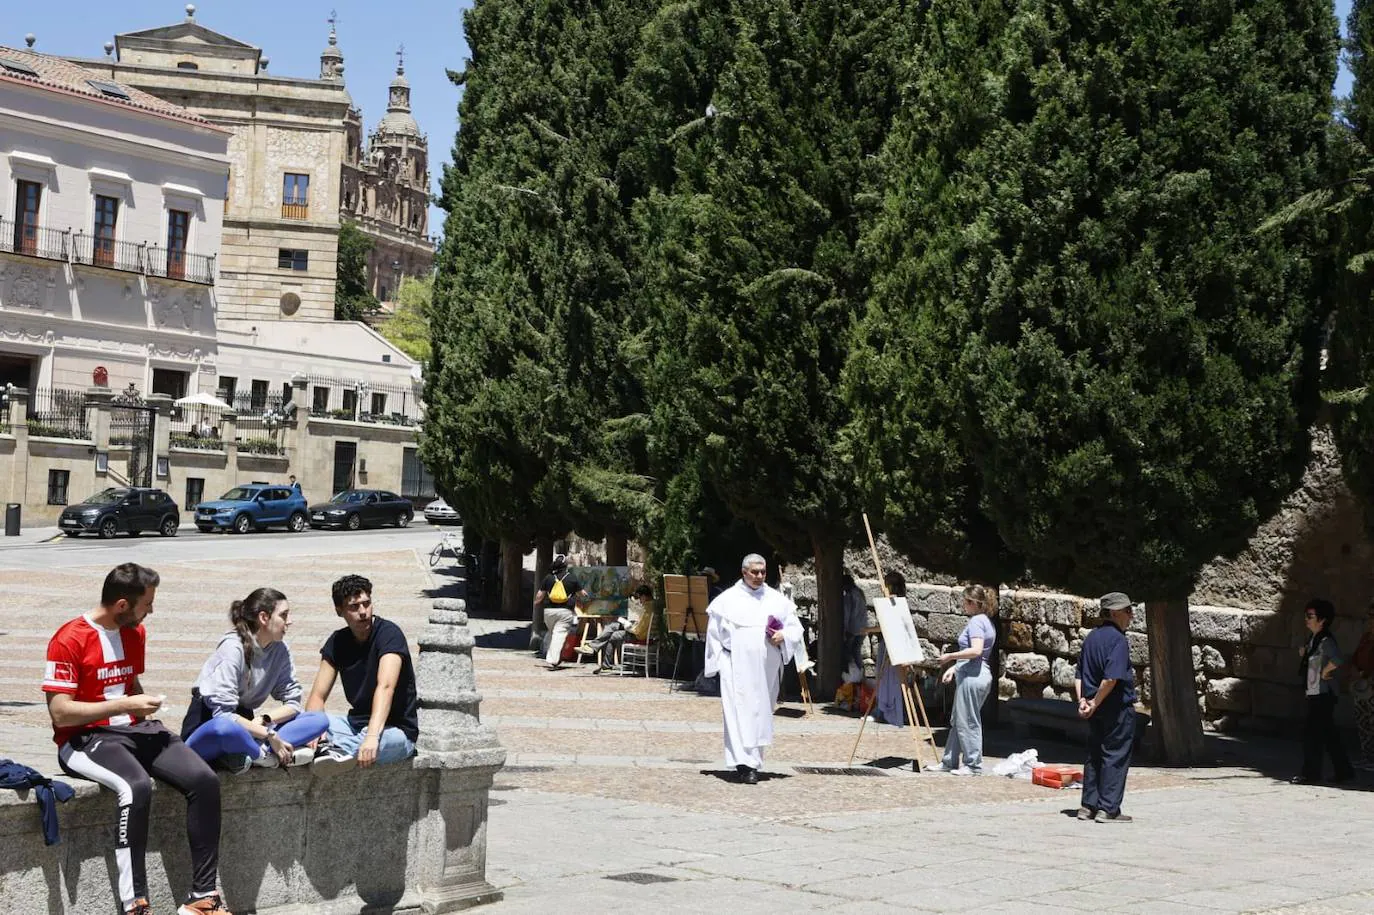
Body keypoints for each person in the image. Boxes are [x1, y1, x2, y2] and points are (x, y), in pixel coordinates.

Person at [43, 563, 231, 915]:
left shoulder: (135, 633)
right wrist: (126, 703)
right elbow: (60, 713)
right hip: (83, 738)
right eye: (147, 604)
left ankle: (202, 898)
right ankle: (136, 904)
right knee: (136, 787)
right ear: (122, 605)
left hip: (134, 729)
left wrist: (140, 706)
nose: (152, 610)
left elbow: (129, 684)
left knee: (204, 779)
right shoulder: (69, 639)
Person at [180, 588, 329, 772]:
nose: (290, 621)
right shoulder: (233, 648)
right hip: (210, 726)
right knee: (225, 728)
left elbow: (293, 702)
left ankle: (255, 752)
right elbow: (223, 716)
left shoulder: (280, 649)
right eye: (284, 615)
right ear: (264, 618)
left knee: (319, 719)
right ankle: (263, 755)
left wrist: (265, 720)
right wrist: (270, 735)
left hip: (250, 728)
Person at [703, 553, 804, 784]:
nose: (759, 576)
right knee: (737, 714)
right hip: (734, 667)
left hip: (765, 669)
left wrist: (784, 635)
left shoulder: (777, 600)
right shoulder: (727, 600)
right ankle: (743, 763)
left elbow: (794, 628)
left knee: (759, 713)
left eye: (762, 572)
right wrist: (717, 665)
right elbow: (714, 635)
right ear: (744, 572)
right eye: (754, 572)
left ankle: (755, 761)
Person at [305, 575, 419, 769]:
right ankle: (330, 749)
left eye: (366, 604)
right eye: (354, 607)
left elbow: (386, 687)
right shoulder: (338, 641)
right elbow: (317, 696)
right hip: (353, 726)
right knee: (301, 723)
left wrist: (372, 737)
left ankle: (331, 751)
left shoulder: (389, 635)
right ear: (339, 611)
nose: (363, 612)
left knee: (366, 745)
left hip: (394, 732)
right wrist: (313, 730)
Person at [1074, 591, 1138, 823]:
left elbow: (1079, 674)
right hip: (1116, 708)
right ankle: (1108, 808)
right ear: (1114, 613)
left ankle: (1088, 806)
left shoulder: (1091, 637)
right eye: (1128, 611)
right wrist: (1094, 702)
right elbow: (1111, 679)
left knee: (1094, 754)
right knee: (1115, 755)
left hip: (1094, 708)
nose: (1131, 616)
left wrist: (1083, 701)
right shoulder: (1118, 641)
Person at [931, 584, 998, 775]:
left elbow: (976, 651)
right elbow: (980, 655)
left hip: (973, 676)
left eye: (965, 602)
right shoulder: (986, 621)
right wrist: (954, 668)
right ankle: (949, 761)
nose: (963, 606)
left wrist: (950, 657)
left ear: (972, 603)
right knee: (959, 719)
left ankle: (973, 764)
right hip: (974, 673)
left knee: (968, 720)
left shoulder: (977, 622)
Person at [1292, 598, 1354, 785]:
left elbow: (1338, 659)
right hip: (1316, 693)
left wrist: (1326, 671)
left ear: (1322, 620)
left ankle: (1311, 774)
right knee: (1328, 735)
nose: (1307, 619)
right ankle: (1344, 771)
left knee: (1312, 735)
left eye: (1310, 616)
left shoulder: (1325, 640)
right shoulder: (1314, 639)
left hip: (1323, 695)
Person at [577, 584, 655, 671]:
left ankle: (594, 650)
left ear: (644, 596)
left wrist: (627, 626)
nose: (639, 601)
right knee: (613, 627)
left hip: (638, 635)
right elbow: (642, 625)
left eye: (640, 598)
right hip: (640, 631)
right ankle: (594, 650)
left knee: (612, 632)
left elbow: (638, 631)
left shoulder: (648, 608)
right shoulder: (651, 606)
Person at [534, 554, 589, 671]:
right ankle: (553, 660)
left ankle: (548, 654)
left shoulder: (548, 577)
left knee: (552, 632)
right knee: (559, 634)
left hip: (548, 612)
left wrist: (536, 602)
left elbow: (540, 594)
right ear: (565, 566)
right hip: (565, 612)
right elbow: (582, 594)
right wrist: (587, 597)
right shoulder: (572, 578)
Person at [871, 571, 908, 726]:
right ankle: (882, 709)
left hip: (893, 644)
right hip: (885, 642)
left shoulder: (897, 603)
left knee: (892, 678)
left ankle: (892, 711)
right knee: (883, 677)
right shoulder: (889, 603)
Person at [1350, 601, 1374, 767]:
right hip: (1363, 686)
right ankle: (1368, 757)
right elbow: (1356, 655)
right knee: (1364, 723)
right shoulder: (1366, 637)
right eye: (1370, 616)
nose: (1371, 620)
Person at [842, 573, 868, 676]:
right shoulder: (860, 592)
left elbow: (847, 615)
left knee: (849, 654)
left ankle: (852, 676)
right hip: (863, 627)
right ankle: (861, 674)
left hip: (852, 629)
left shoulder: (849, 596)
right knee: (857, 652)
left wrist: (844, 630)